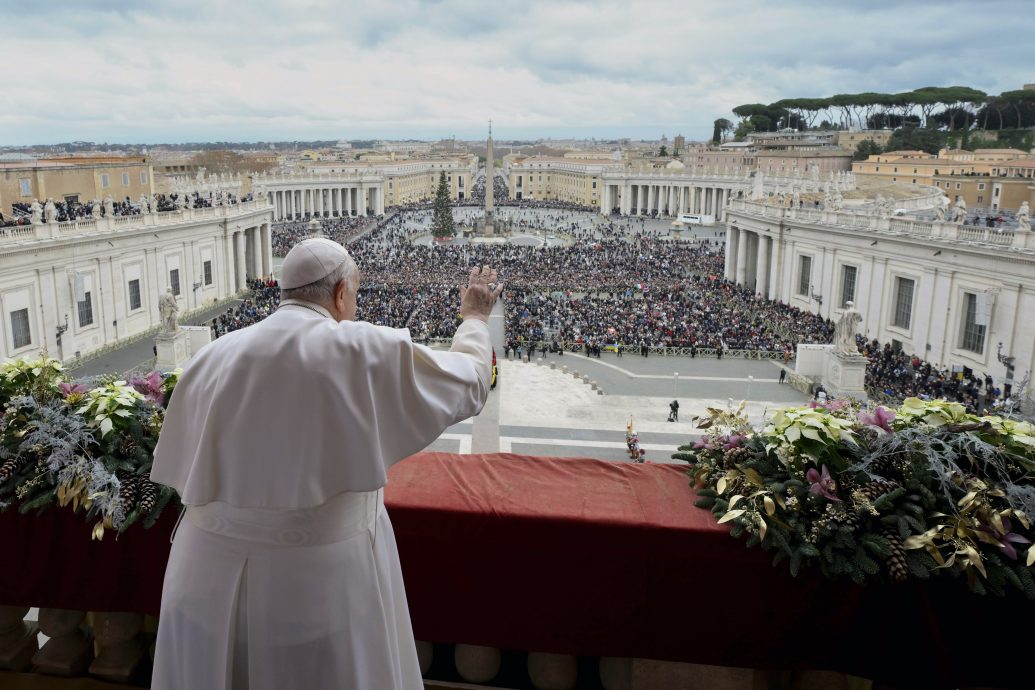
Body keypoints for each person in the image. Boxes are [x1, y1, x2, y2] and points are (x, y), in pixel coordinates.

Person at [149, 238, 502, 690]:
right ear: (340, 293)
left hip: (199, 582)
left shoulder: (210, 356)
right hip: (312, 591)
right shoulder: (359, 348)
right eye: (354, 295)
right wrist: (474, 317)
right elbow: (471, 382)